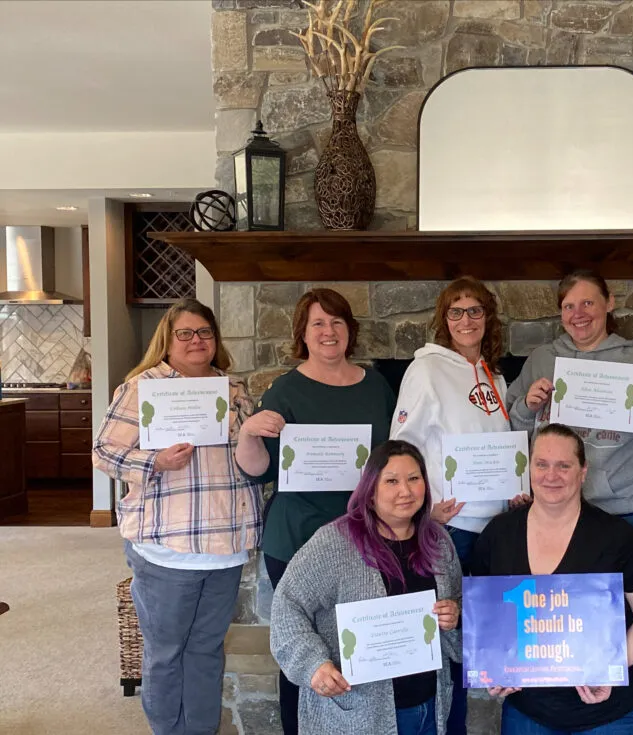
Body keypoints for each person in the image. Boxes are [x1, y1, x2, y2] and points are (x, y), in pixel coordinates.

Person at [93, 298, 263, 735]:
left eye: (204, 332)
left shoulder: (234, 388)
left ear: (215, 339)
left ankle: (201, 729)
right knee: (166, 653)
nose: (195, 340)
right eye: (184, 333)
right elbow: (104, 452)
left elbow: (248, 459)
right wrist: (156, 461)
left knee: (207, 650)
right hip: (166, 548)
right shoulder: (142, 388)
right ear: (167, 341)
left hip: (224, 548)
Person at [235, 287, 395, 735]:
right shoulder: (285, 389)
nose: (329, 331)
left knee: (360, 650)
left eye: (337, 322)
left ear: (350, 330)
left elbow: (392, 458)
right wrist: (248, 434)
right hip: (298, 538)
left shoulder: (376, 386)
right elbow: (258, 471)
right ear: (302, 334)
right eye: (318, 323)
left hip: (365, 541)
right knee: (304, 651)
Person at [471, 423, 633, 735]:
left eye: (564, 466)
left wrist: (606, 668)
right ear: (528, 468)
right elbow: (487, 616)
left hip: (614, 714)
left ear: (583, 471)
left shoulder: (618, 539)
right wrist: (495, 665)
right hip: (530, 713)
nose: (551, 475)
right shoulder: (499, 534)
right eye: (542, 464)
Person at [269, 440, 462, 735]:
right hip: (355, 716)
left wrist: (455, 614)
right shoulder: (335, 542)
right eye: (392, 481)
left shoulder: (438, 542)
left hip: (429, 707)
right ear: (370, 491)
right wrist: (313, 665)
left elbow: (459, 602)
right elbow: (287, 603)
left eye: (414, 478)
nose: (406, 491)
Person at [390, 276, 513, 733]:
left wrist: (515, 490)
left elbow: (501, 450)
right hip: (452, 529)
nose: (466, 320)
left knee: (486, 640)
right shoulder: (426, 370)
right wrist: (423, 510)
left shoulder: (495, 377)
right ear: (445, 320)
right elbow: (403, 445)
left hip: (497, 529)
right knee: (448, 648)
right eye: (456, 312)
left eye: (475, 310)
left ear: (487, 318)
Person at [505, 269, 633, 537]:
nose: (578, 314)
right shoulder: (541, 360)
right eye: (569, 306)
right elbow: (512, 439)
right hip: (555, 507)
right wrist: (526, 408)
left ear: (609, 303)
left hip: (626, 508)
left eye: (588, 303)